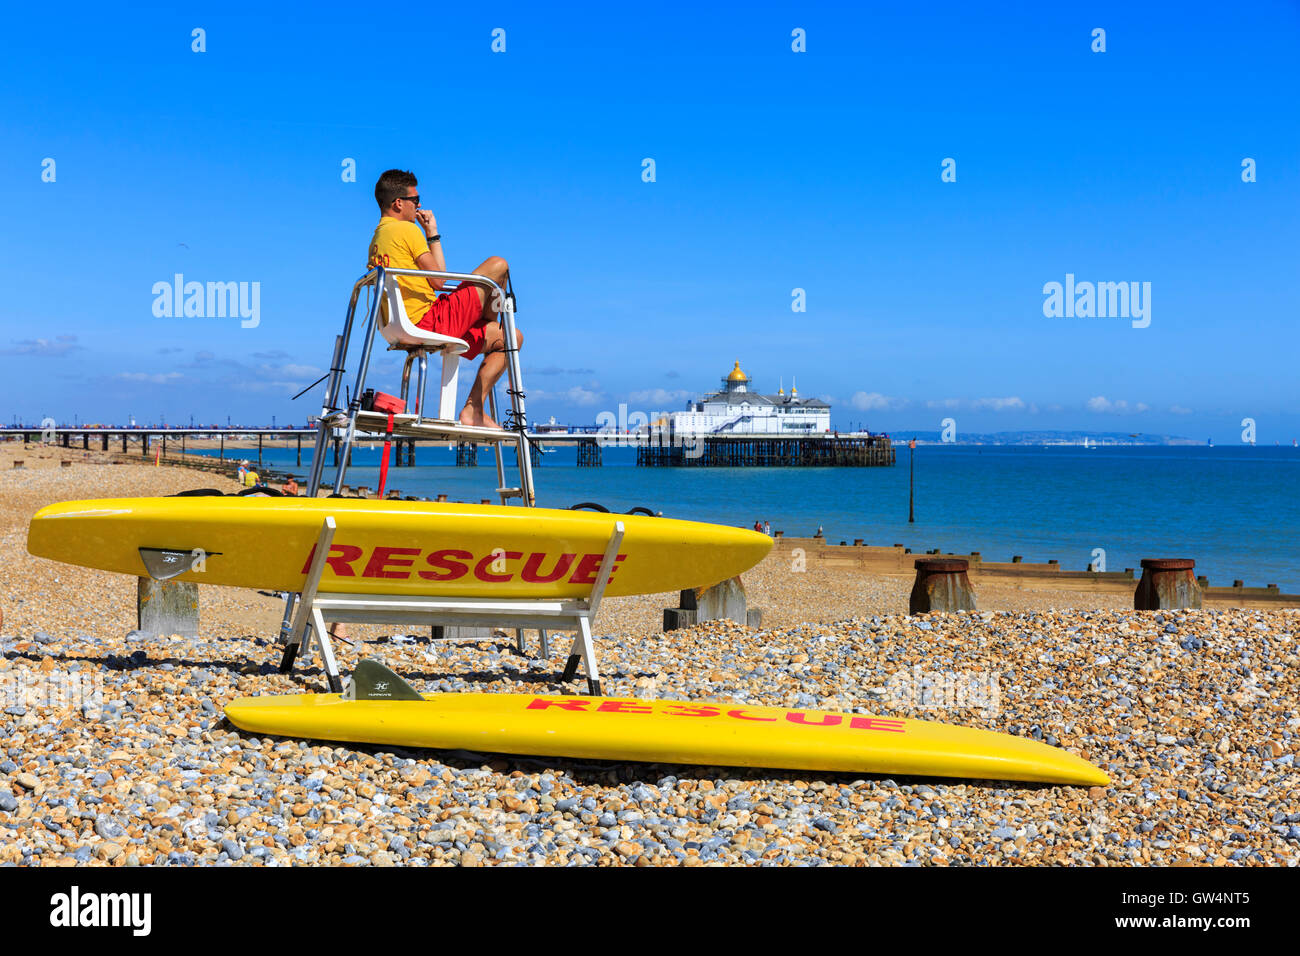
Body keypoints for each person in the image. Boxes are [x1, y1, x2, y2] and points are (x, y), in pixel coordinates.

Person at [368, 169, 523, 428]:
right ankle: (484, 325)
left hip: (398, 326)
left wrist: (429, 233)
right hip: (426, 322)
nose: (419, 205)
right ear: (399, 203)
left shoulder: (378, 237)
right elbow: (439, 280)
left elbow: (433, 279)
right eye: (415, 200)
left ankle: (474, 409)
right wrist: (432, 234)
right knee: (498, 265)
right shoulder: (406, 230)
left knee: (511, 339)